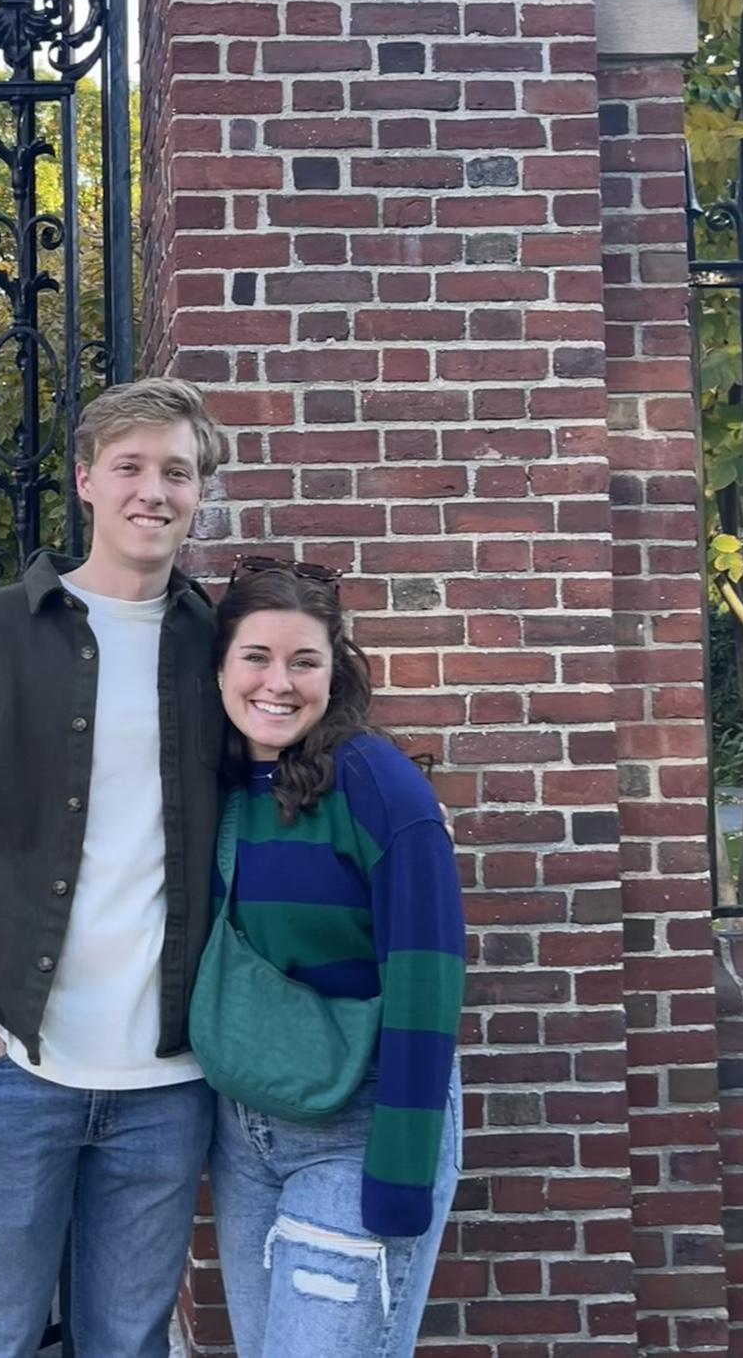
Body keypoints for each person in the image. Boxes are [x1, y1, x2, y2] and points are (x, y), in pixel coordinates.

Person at [0, 377, 227, 1358]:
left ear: (200, 492)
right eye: (130, 466)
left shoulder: (222, 651)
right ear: (86, 481)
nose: (155, 490)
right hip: (13, 1070)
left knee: (128, 1341)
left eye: (178, 472)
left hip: (169, 1082)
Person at [196, 559, 466, 1358]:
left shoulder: (376, 785)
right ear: (220, 668)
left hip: (360, 1123)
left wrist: (402, 1174)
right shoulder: (209, 783)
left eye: (304, 661)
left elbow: (427, 979)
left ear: (334, 672)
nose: (278, 683)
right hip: (243, 1133)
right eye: (256, 657)